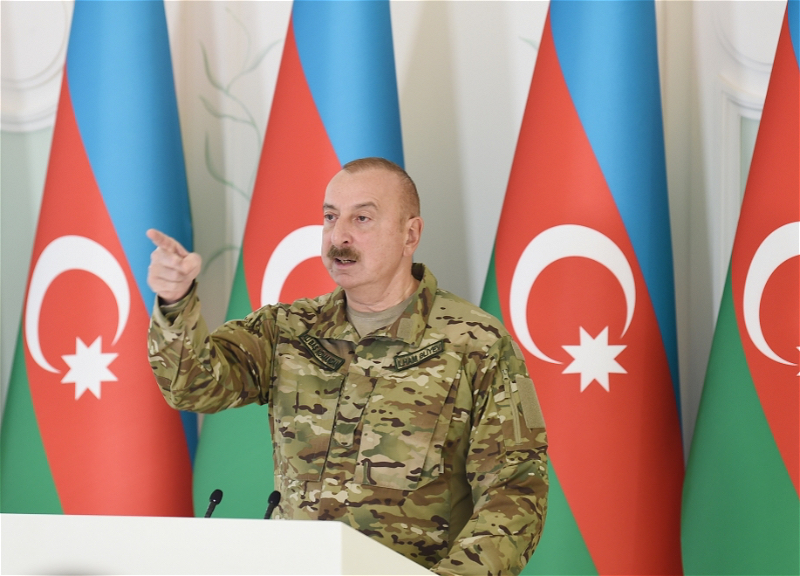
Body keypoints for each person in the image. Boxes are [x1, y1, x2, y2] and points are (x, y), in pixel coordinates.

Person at [147, 157, 548, 575]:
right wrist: (175, 302)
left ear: (410, 234)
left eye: (362, 218)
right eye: (330, 217)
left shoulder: (474, 342)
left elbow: (516, 490)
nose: (338, 236)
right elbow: (192, 386)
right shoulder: (287, 329)